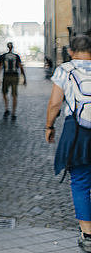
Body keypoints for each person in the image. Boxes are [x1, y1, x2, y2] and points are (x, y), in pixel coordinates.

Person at [45, 35, 91, 252]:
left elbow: (55, 103)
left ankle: (88, 234)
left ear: (71, 51)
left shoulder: (65, 70)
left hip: (77, 131)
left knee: (80, 181)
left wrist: (49, 126)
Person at [0, 42, 26, 120]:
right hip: (14, 76)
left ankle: (8, 109)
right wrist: (24, 78)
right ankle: (12, 112)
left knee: (5, 93)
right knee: (13, 95)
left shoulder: (3, 56)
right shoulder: (16, 56)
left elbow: (0, 67)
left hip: (7, 76)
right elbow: (20, 67)